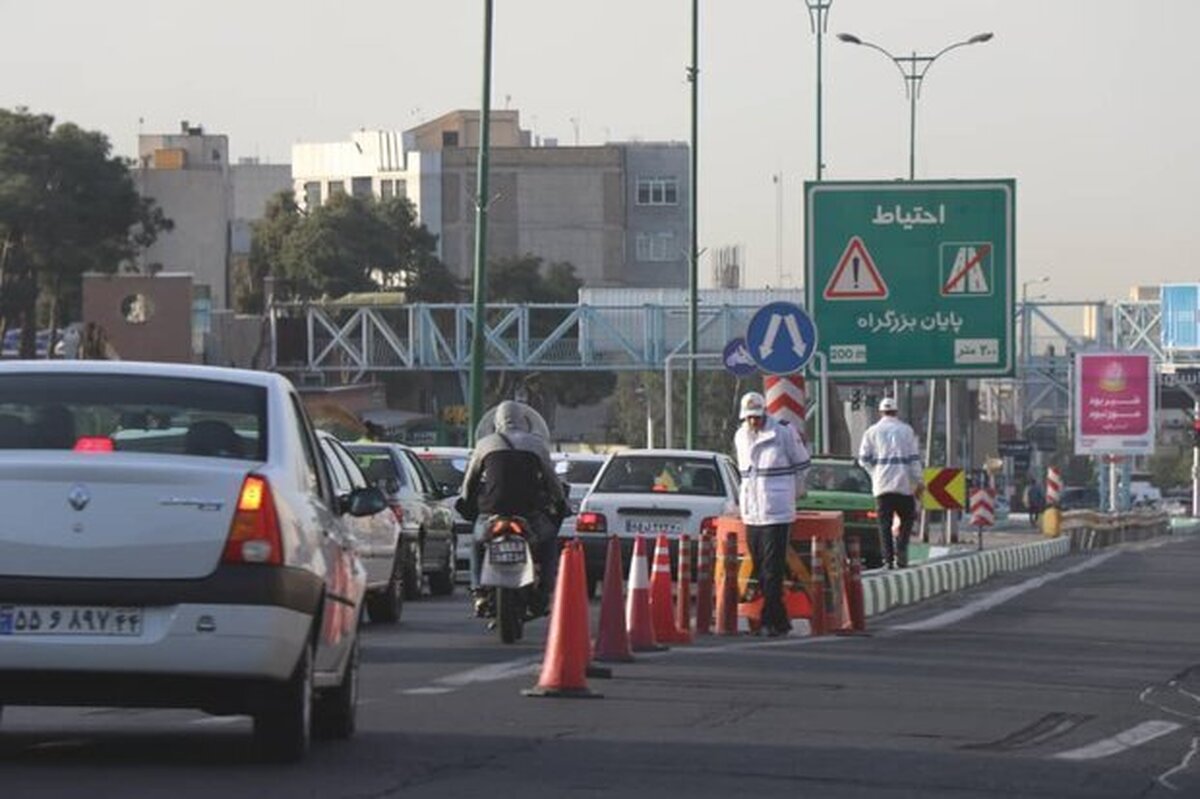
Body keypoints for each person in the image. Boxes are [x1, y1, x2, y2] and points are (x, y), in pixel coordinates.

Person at [456, 401, 569, 618]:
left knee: (477, 544)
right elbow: (551, 480)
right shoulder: (536, 444)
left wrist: (467, 502)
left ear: (496, 421)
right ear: (524, 420)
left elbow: (470, 481)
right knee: (548, 543)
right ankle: (544, 591)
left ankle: (478, 590)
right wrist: (560, 502)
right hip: (529, 512)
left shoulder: (485, 444)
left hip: (491, 512)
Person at [734, 391, 811, 638]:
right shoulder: (740, 437)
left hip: (777, 512)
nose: (753, 422)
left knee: (772, 569)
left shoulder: (783, 432)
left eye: (757, 417)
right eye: (749, 418)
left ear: (764, 413)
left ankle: (769, 620)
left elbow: (802, 464)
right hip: (753, 512)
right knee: (759, 566)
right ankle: (780, 621)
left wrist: (794, 494)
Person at [857, 397, 924, 569]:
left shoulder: (871, 432)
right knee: (908, 519)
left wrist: (875, 474)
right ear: (896, 412)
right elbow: (914, 459)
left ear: (881, 412)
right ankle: (901, 551)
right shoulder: (906, 431)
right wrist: (919, 481)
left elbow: (863, 459)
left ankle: (888, 560)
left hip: (882, 486)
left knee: (884, 525)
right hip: (903, 485)